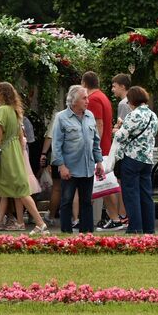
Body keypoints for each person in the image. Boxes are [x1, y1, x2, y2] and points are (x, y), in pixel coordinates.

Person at [0, 81, 48, 235]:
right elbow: (21, 137)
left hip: (7, 153)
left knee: (20, 189)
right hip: (13, 151)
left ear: (2, 94)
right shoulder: (15, 110)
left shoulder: (3, 110)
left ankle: (40, 223)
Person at [51, 84, 104, 234]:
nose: (88, 100)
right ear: (73, 101)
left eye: (87, 97)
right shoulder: (61, 117)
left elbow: (95, 141)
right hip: (70, 168)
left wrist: (99, 162)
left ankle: (87, 234)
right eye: (84, 98)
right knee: (67, 201)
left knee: (87, 202)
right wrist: (61, 166)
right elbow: (56, 145)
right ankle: (66, 233)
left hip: (88, 167)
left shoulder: (90, 116)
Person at [112, 85, 158, 234]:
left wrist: (116, 130)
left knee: (131, 194)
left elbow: (121, 136)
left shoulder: (134, 115)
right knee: (146, 194)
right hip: (147, 159)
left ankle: (135, 227)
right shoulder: (153, 115)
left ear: (132, 100)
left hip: (132, 158)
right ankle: (149, 228)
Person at [80, 71, 124, 231]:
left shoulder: (94, 99)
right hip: (104, 146)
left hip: (100, 148)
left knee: (105, 184)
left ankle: (114, 218)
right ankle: (111, 217)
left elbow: (98, 123)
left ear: (84, 84)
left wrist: (94, 146)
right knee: (104, 184)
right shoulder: (102, 97)